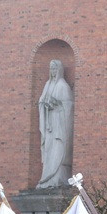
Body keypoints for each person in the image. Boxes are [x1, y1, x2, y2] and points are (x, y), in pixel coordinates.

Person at [37, 59, 74, 189]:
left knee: (58, 150)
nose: (52, 71)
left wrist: (56, 105)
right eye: (51, 69)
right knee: (48, 150)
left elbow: (68, 108)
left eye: (55, 69)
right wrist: (44, 104)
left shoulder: (63, 86)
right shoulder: (47, 84)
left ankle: (58, 176)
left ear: (59, 70)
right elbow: (41, 101)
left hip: (59, 126)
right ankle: (47, 177)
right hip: (49, 125)